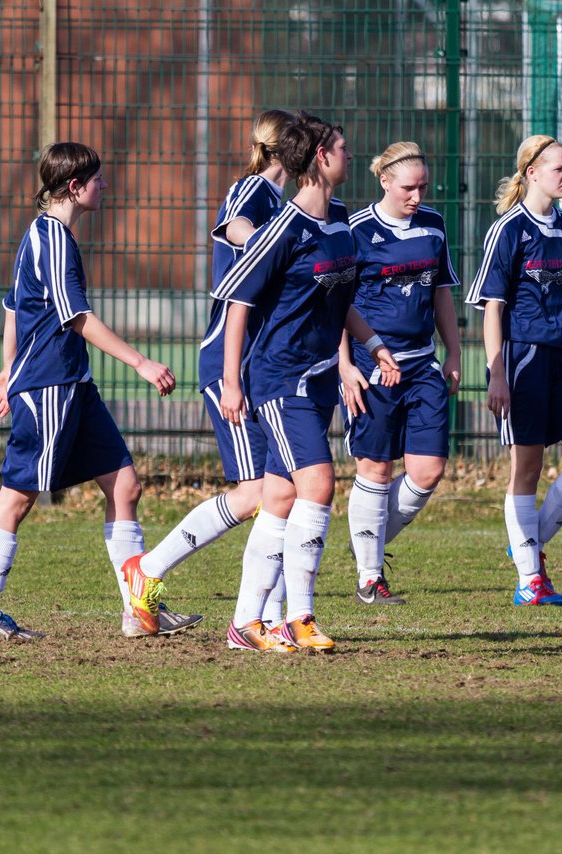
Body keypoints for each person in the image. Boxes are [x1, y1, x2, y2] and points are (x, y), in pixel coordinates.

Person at [0, 141, 180, 640]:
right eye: (97, 180)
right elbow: (76, 317)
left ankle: (139, 608)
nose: (105, 186)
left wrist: (4, 370)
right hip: (49, 388)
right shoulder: (52, 238)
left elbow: (14, 308)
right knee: (18, 497)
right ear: (74, 188)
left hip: (73, 385)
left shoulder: (44, 234)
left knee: (124, 486)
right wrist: (141, 362)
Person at [207, 111, 400, 653]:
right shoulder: (284, 229)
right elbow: (237, 300)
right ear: (320, 158)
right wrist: (230, 382)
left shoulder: (339, 220)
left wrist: (374, 345)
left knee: (281, 495)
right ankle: (299, 617)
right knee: (317, 485)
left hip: (317, 378)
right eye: (341, 147)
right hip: (280, 377)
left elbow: (341, 303)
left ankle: (246, 625)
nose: (349, 156)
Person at [119, 109, 294, 638]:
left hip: (263, 362)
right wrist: (271, 247)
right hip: (230, 363)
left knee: (279, 492)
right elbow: (234, 225)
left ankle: (270, 616)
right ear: (286, 149)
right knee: (256, 494)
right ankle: (146, 570)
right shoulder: (253, 190)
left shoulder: (286, 204)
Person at [465, 135, 562, 607]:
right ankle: (530, 579)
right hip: (522, 358)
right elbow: (492, 306)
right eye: (558, 168)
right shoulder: (508, 230)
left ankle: (527, 543)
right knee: (527, 467)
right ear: (531, 173)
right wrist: (497, 372)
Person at [340, 141, 462, 604]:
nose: (417, 196)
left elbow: (442, 293)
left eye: (423, 187)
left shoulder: (433, 225)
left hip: (422, 363)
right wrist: (347, 365)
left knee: (428, 470)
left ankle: (365, 542)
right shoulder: (355, 230)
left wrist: (453, 352)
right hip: (371, 366)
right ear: (384, 180)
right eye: (409, 187)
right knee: (375, 465)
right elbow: (337, 303)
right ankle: (370, 576)